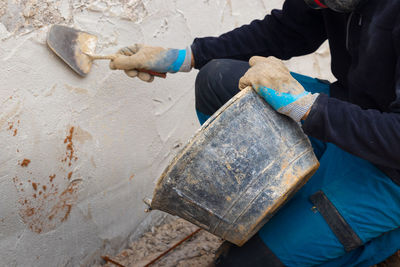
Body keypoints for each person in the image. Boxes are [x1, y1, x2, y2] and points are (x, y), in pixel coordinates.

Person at [109, 0, 400, 265]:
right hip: (350, 114)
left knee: (242, 263)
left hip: (389, 166)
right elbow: (286, 30)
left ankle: (382, 240)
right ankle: (291, 208)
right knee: (217, 79)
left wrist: (306, 108)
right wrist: (185, 57)